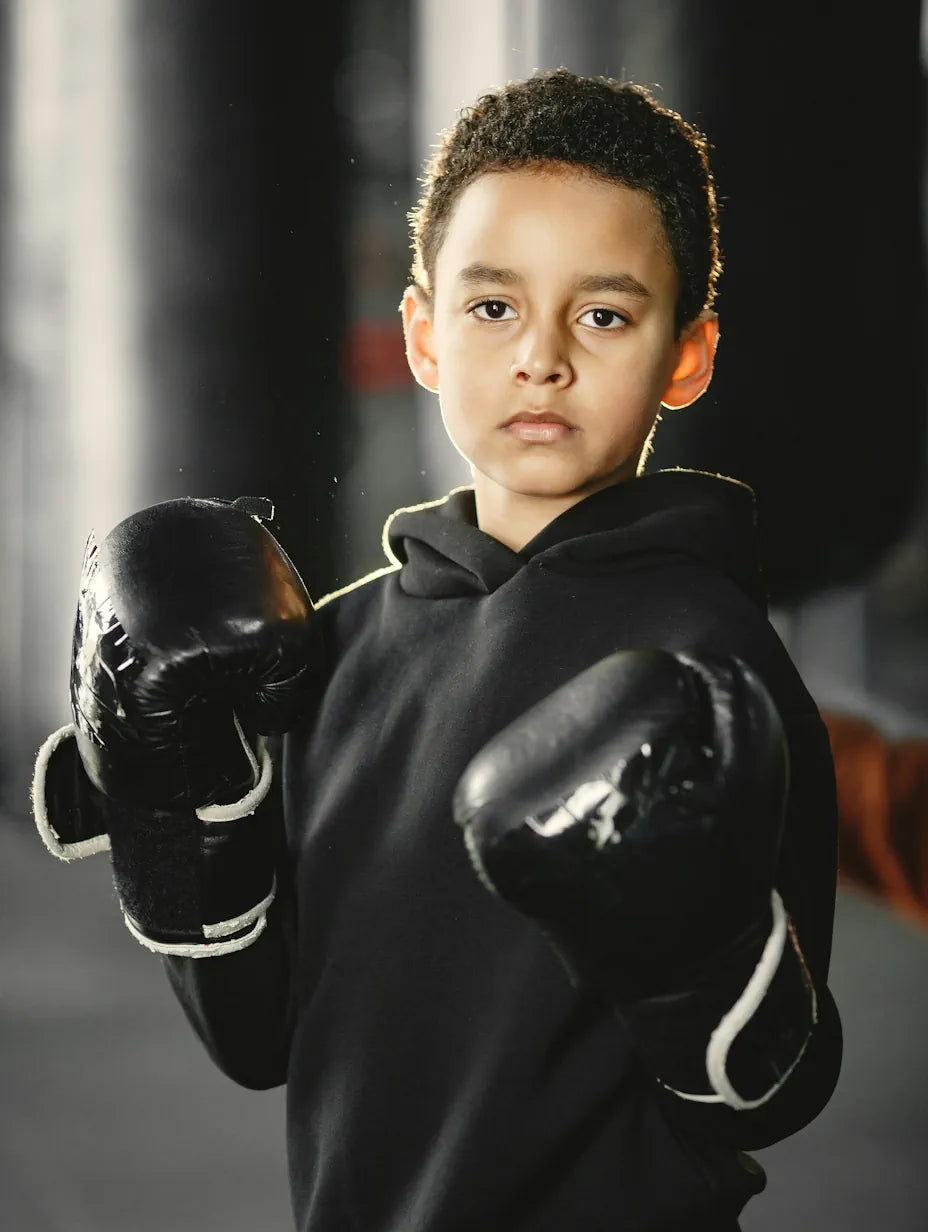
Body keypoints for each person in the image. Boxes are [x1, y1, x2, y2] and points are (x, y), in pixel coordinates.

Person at [32, 69, 842, 1231]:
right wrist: (181, 810)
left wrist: (692, 950)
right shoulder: (338, 646)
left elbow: (771, 1089)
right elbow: (256, 1034)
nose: (541, 357)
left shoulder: (711, 665)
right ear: (420, 332)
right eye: (492, 306)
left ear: (688, 355)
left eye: (604, 314)